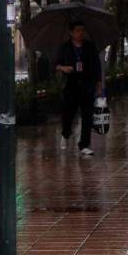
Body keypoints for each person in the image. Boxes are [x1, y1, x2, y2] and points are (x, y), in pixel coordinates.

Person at [54, 20, 102, 156]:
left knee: (87, 116)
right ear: (71, 32)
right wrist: (64, 67)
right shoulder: (65, 47)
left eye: (82, 30)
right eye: (77, 31)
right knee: (68, 115)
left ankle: (84, 145)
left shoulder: (90, 47)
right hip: (71, 85)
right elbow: (56, 64)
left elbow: (96, 66)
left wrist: (98, 84)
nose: (80, 33)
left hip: (87, 85)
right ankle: (65, 134)